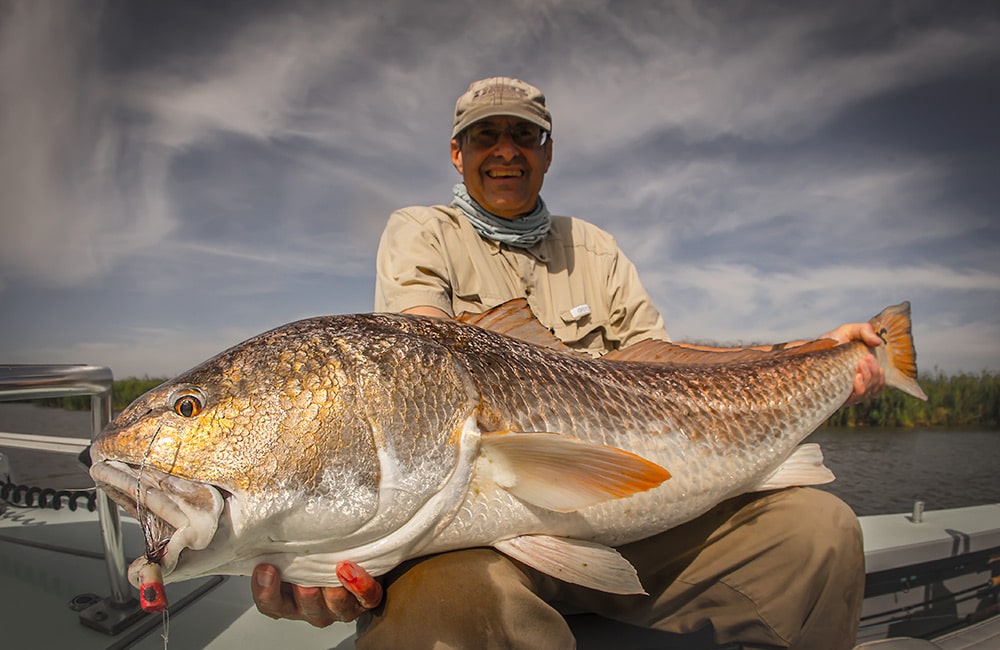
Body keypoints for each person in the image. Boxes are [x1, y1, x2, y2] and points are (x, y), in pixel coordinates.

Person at [252, 77, 885, 649]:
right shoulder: (422, 232)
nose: (505, 149)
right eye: (485, 135)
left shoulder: (596, 248)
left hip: (639, 511)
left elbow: (665, 369)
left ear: (547, 152)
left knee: (821, 529)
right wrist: (316, 550)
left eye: (524, 135)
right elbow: (422, 368)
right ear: (457, 152)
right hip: (485, 528)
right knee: (441, 610)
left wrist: (815, 353)